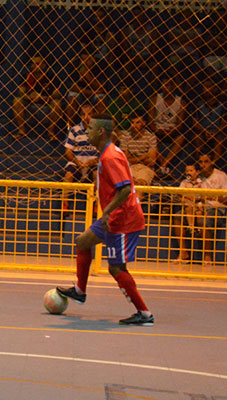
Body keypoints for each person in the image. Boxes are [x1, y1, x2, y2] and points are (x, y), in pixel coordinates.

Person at [57, 114, 153, 326]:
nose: (86, 131)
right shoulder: (108, 153)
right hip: (112, 216)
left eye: (90, 128)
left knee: (116, 268)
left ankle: (145, 314)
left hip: (123, 219)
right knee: (83, 242)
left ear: (101, 132)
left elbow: (125, 188)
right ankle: (80, 291)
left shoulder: (110, 157)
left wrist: (107, 211)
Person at [193, 153, 227, 265]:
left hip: (217, 207)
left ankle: (207, 255)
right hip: (199, 207)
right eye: (200, 162)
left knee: (205, 221)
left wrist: (211, 197)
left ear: (212, 162)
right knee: (178, 216)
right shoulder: (197, 177)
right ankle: (183, 253)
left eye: (206, 162)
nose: (203, 165)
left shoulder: (221, 176)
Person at [11, 55, 61, 140]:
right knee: (17, 100)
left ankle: (51, 132)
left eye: (37, 63)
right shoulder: (27, 76)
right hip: (30, 107)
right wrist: (29, 97)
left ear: (43, 65)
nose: (34, 66)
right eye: (32, 63)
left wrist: (43, 98)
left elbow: (57, 94)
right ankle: (21, 131)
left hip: (46, 107)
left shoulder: (51, 77)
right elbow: (21, 92)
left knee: (57, 103)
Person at [150, 77, 187, 177]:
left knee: (181, 138)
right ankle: (163, 167)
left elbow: (180, 124)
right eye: (165, 85)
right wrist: (157, 130)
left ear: (174, 86)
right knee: (151, 137)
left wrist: (172, 131)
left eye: (170, 85)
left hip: (173, 131)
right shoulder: (155, 99)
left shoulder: (181, 102)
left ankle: (164, 164)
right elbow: (151, 122)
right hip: (158, 131)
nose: (167, 87)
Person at [190, 76, 227, 164]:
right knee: (197, 137)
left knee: (219, 140)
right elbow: (195, 122)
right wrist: (205, 131)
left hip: (217, 132)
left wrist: (215, 132)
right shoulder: (198, 104)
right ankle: (199, 163)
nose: (206, 89)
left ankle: (214, 164)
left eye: (208, 86)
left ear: (215, 88)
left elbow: (224, 123)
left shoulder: (222, 104)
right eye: (204, 87)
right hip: (202, 131)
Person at [173, 162, 204, 264]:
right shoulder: (184, 182)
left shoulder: (201, 182)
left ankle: (197, 229)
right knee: (184, 208)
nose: (188, 173)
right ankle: (191, 227)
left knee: (199, 210)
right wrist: (186, 197)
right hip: (187, 205)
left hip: (199, 205)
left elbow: (203, 195)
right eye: (187, 171)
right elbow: (179, 194)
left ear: (197, 172)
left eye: (191, 170)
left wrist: (194, 198)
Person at [119, 112, 158, 186]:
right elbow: (124, 160)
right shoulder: (125, 137)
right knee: (128, 183)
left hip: (145, 168)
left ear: (144, 123)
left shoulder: (151, 137)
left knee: (140, 183)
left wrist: (132, 158)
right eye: (132, 122)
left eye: (137, 123)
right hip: (130, 167)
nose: (134, 125)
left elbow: (151, 162)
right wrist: (144, 157)